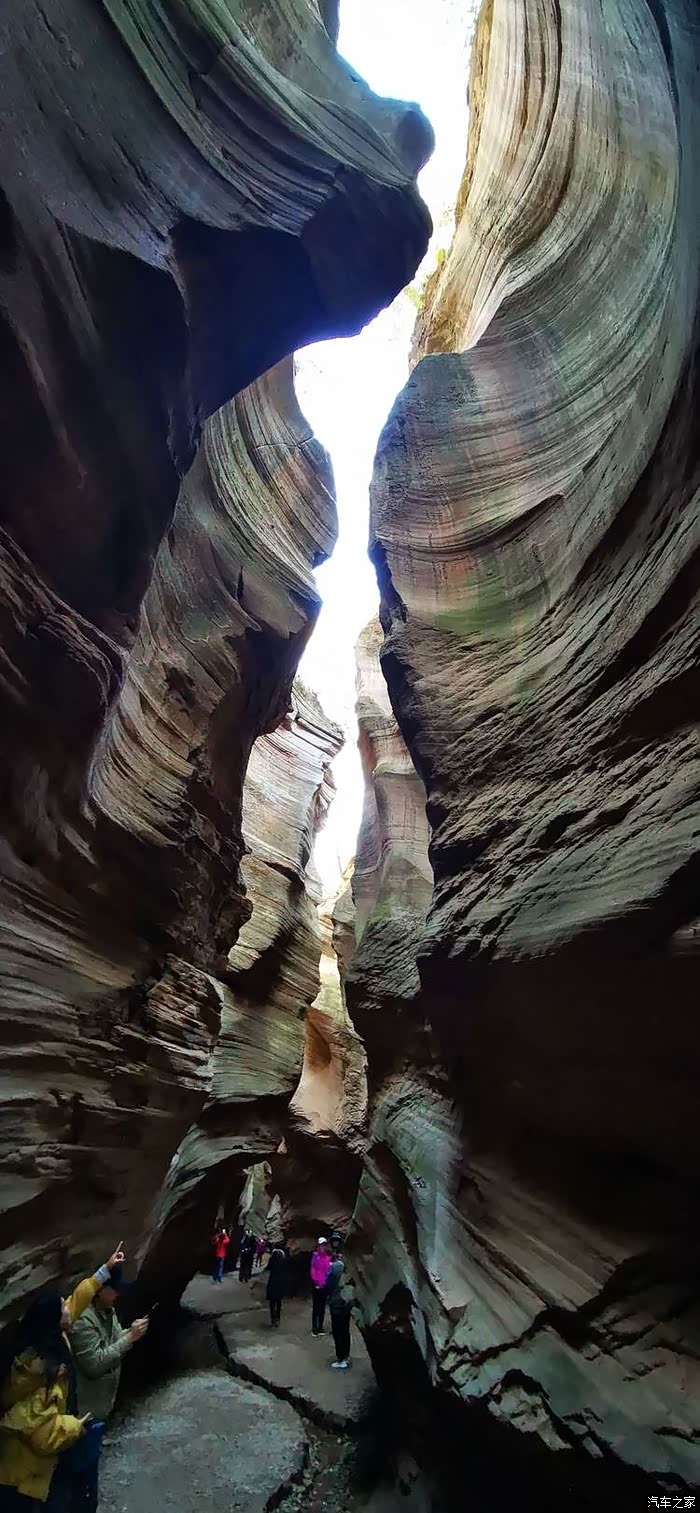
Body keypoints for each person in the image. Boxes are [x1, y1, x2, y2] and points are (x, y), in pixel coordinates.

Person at [0, 1243, 125, 1510]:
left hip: (33, 1468)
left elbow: (77, 1299)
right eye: (63, 1309)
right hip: (26, 1475)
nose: (69, 1309)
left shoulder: (48, 1340)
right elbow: (43, 1434)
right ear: (55, 1321)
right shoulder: (39, 1373)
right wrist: (77, 1425)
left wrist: (105, 1270)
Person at [69, 1266, 149, 1511]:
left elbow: (113, 1343)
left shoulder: (108, 1311)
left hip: (100, 1409)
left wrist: (130, 1333)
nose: (118, 1295)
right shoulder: (83, 1320)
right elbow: (94, 1364)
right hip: (83, 1415)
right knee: (79, 1477)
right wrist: (129, 1339)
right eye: (114, 1290)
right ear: (100, 1290)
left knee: (89, 1472)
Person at [326, 1255, 352, 1369]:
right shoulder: (348, 1268)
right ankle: (346, 1355)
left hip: (336, 1303)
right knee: (345, 1331)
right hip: (347, 1302)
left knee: (338, 1332)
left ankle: (341, 1358)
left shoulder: (332, 1268)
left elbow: (327, 1285)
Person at [309, 1238, 331, 1338]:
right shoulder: (315, 1256)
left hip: (324, 1286)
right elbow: (313, 1270)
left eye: (324, 1245)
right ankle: (314, 1328)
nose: (323, 1247)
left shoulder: (327, 1257)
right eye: (321, 1245)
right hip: (316, 1285)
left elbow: (328, 1271)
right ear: (318, 1246)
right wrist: (316, 1282)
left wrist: (326, 1283)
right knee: (316, 1307)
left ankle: (320, 1327)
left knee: (322, 1308)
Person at [265, 1242, 289, 1328]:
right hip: (280, 1282)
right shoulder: (284, 1258)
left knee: (272, 1302)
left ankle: (273, 1319)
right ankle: (278, 1318)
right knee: (279, 1302)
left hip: (272, 1281)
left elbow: (268, 1268)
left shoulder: (272, 1258)